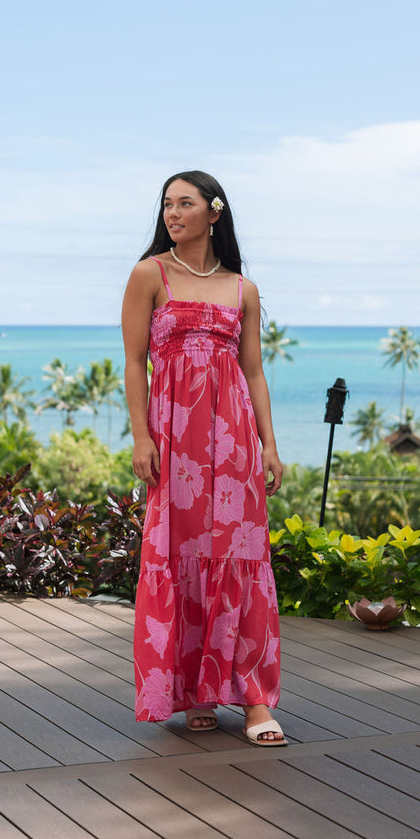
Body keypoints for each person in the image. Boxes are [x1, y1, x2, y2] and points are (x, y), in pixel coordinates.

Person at [121, 170, 286, 745]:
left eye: (185, 203)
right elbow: (134, 362)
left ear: (214, 213)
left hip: (233, 440)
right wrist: (141, 437)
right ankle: (194, 690)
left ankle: (257, 701)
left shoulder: (243, 288)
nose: (172, 213)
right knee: (182, 553)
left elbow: (254, 371)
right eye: (167, 204)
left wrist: (269, 444)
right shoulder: (150, 275)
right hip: (174, 444)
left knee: (240, 558)